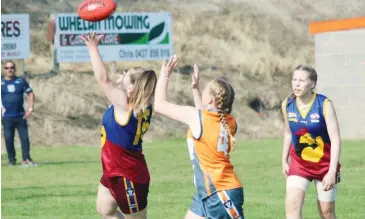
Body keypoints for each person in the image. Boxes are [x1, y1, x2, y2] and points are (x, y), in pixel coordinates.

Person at [154, 55, 244, 219]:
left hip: (221, 193)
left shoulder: (198, 118)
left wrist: (165, 74)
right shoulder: (230, 122)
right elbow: (205, 118)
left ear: (209, 99)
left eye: (205, 89)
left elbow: (159, 104)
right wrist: (195, 88)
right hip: (209, 192)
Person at [80, 32, 157, 219]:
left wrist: (93, 47)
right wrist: (126, 83)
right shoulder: (142, 102)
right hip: (112, 169)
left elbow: (103, 79)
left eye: (127, 75)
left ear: (130, 90)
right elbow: (138, 89)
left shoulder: (125, 105)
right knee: (105, 210)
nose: (122, 75)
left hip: (128, 175)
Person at [281, 65, 341, 219]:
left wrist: (332, 171)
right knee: (292, 206)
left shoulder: (324, 104)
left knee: (326, 212)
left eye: (301, 80)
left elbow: (335, 138)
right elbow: (288, 132)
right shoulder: (287, 104)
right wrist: (284, 160)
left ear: (312, 84)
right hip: (299, 164)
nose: (296, 84)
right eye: (294, 80)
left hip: (324, 166)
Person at [1, 60, 37, 167]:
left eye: (11, 67)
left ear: (15, 69)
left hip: (21, 116)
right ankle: (11, 160)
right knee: (8, 139)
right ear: (4, 70)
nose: (9, 70)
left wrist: (30, 108)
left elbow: (30, 94)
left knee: (25, 138)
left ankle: (26, 159)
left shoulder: (21, 81)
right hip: (7, 117)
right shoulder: (1, 83)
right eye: (7, 68)